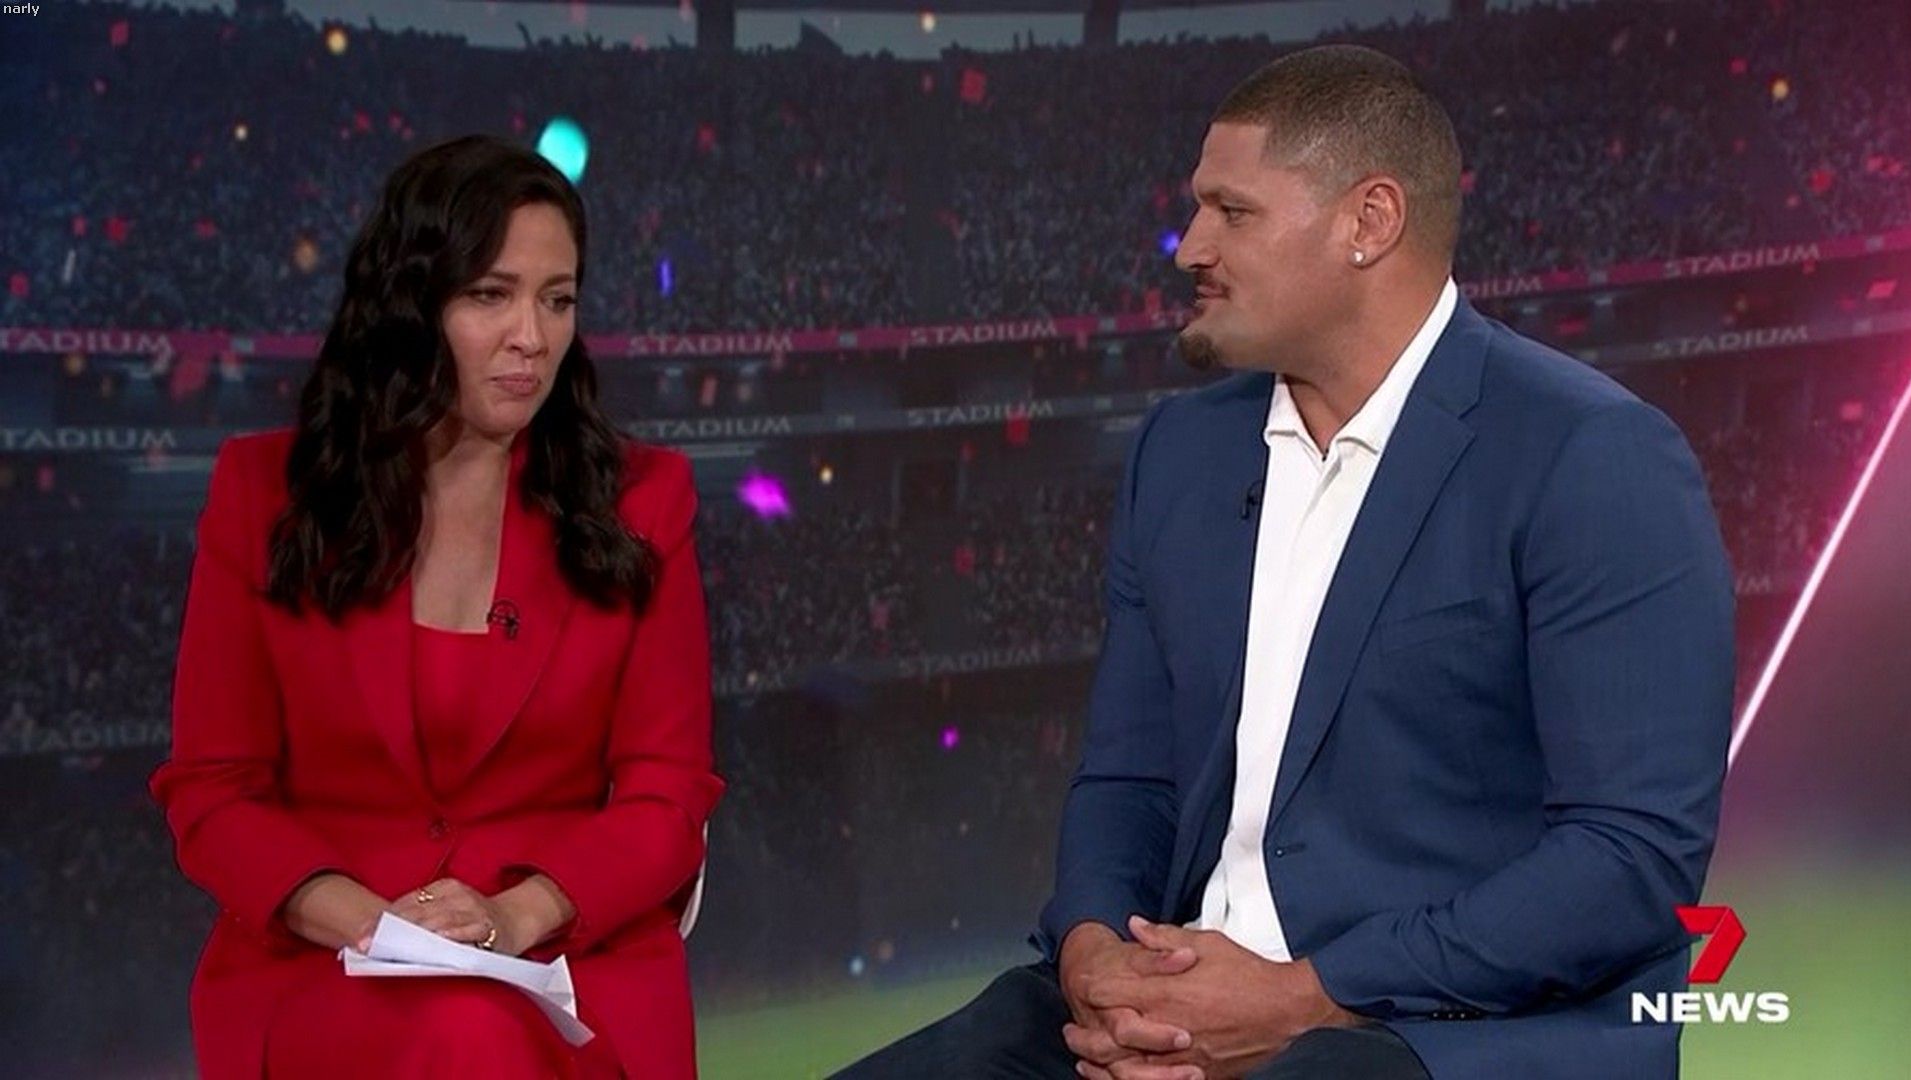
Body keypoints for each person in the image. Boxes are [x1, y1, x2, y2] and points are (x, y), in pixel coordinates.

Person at [838, 45, 1733, 1080]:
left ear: (1369, 222)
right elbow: (1128, 777)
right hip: (1181, 994)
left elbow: (1631, 859)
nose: (1190, 246)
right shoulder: (1179, 453)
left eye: (1232, 211)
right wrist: (1094, 957)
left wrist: (1305, 996)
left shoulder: (1589, 454)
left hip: (1447, 1028)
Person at [150, 135, 723, 1079]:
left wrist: (512, 917)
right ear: (411, 304)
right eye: (490, 295)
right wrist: (375, 924)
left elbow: (668, 798)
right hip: (326, 955)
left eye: (558, 300)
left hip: (564, 959)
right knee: (457, 1034)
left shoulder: (643, 502)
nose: (532, 337)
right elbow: (212, 792)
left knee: (474, 1033)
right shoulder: (263, 497)